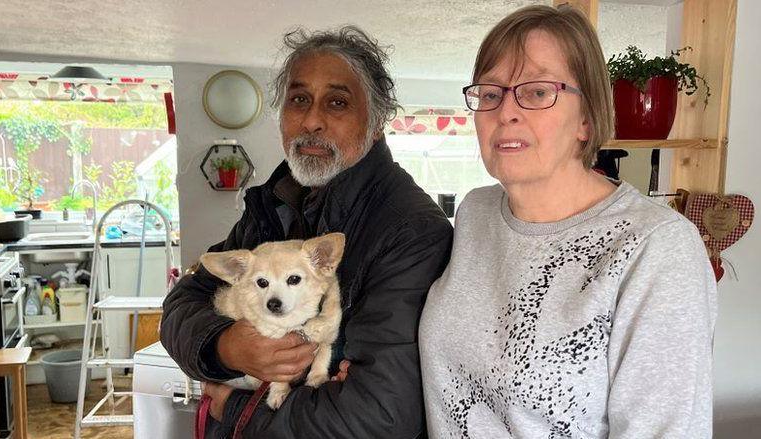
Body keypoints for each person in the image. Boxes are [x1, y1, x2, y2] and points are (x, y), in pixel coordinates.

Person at [419, 5, 717, 438]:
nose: (505, 112)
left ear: (587, 118)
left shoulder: (657, 248)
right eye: (489, 93)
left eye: (537, 92)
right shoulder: (475, 212)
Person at [161, 25, 452, 438]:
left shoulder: (411, 231)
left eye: (337, 102)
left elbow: (381, 416)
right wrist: (227, 346)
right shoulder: (272, 207)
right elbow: (184, 301)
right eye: (299, 100)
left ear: (377, 122)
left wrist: (239, 408)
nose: (312, 120)